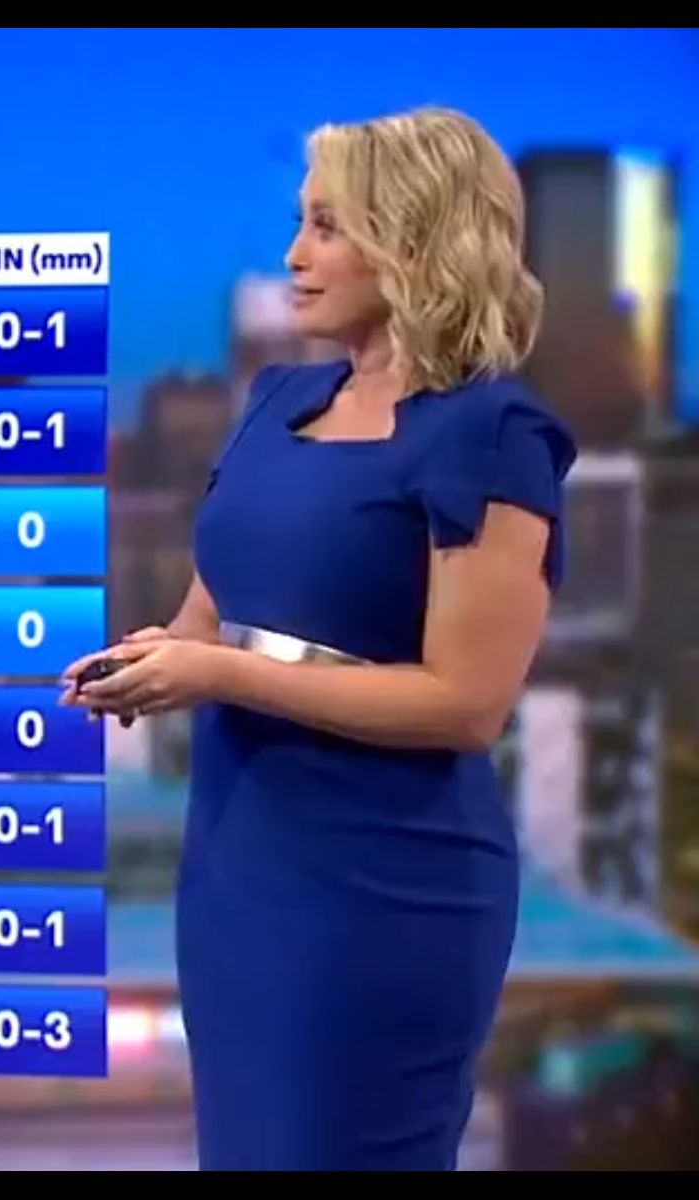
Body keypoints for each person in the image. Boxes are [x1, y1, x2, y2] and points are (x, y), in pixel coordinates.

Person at [62, 106, 576, 1170]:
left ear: (416, 240)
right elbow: (209, 618)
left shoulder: (489, 433)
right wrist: (147, 663)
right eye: (299, 222)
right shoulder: (276, 402)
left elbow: (463, 702)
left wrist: (217, 673)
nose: (294, 255)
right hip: (238, 873)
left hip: (386, 890)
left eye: (328, 227)